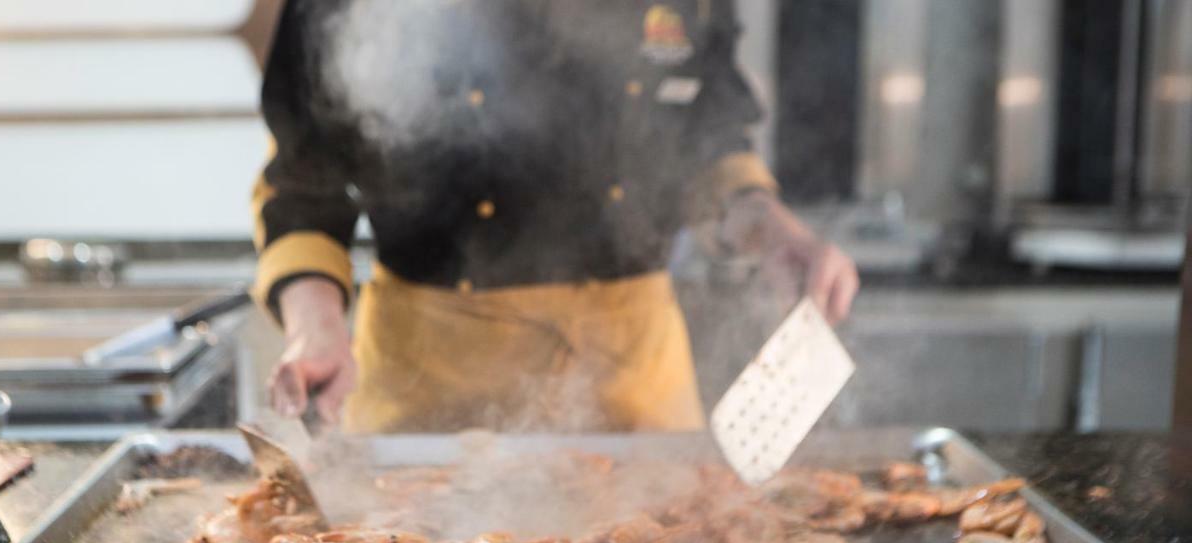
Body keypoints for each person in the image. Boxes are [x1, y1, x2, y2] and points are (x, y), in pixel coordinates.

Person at [253, 0, 858, 433]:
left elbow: (707, 139)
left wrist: (768, 226)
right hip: (429, 383)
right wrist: (315, 327)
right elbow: (304, 186)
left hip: (632, 383)